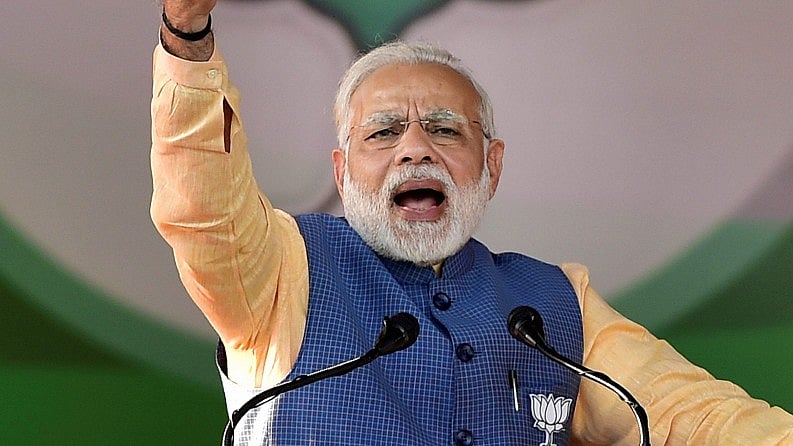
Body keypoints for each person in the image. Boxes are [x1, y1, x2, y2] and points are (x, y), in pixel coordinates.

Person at [150, 1, 793, 445]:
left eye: (443, 129)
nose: (415, 148)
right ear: (342, 173)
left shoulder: (552, 303)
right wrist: (187, 38)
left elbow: (693, 419)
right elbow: (204, 211)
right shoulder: (284, 269)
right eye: (384, 131)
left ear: (492, 165)